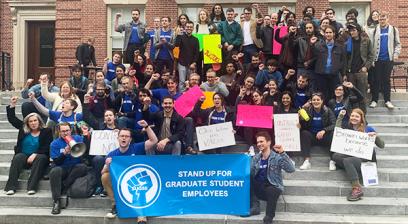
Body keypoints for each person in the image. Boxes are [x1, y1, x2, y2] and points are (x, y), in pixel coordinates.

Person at [101, 124, 157, 222]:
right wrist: (107, 164)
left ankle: (141, 217)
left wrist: (147, 127)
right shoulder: (112, 154)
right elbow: (103, 172)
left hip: (137, 182)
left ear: (130, 139)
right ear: (118, 138)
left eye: (126, 136)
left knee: (139, 189)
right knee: (105, 176)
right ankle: (115, 205)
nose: (124, 138)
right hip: (122, 183)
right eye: (122, 136)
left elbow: (154, 141)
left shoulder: (137, 148)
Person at [332, 109, 384, 201]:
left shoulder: (368, 128)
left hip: (365, 160)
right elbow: (337, 131)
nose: (354, 118)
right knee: (335, 156)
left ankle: (357, 188)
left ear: (361, 118)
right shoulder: (348, 128)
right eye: (352, 116)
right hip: (353, 156)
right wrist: (340, 117)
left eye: (356, 116)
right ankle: (351, 167)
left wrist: (375, 136)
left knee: (347, 161)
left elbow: (382, 145)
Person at [4, 96, 52, 195]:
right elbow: (12, 119)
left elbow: (46, 147)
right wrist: (12, 105)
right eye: (30, 121)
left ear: (39, 121)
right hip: (24, 156)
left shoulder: (46, 131)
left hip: (39, 158)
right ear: (27, 123)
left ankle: (32, 187)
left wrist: (35, 154)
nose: (33, 123)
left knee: (41, 157)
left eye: (35, 120)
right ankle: (11, 187)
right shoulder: (23, 129)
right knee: (17, 157)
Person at [249, 131, 295, 224]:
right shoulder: (256, 158)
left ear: (269, 142)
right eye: (258, 142)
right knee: (249, 178)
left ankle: (269, 217)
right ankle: (255, 207)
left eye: (261, 141)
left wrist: (282, 152)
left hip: (273, 187)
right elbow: (251, 173)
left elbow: (291, 169)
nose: (259, 144)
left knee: (271, 189)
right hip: (260, 188)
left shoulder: (277, 157)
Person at [49, 122, 88, 214]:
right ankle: (56, 201)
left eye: (67, 130)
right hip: (62, 168)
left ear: (70, 130)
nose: (65, 133)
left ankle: (64, 186)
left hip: (75, 167)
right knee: (55, 171)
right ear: (59, 132)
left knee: (82, 167)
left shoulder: (78, 138)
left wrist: (86, 136)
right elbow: (56, 162)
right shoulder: (54, 144)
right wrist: (64, 153)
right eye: (63, 131)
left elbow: (86, 149)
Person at [369, 13, 401, 109]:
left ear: (388, 19)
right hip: (377, 60)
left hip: (388, 60)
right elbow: (371, 46)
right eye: (380, 19)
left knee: (386, 80)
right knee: (376, 80)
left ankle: (387, 100)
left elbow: (398, 44)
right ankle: (374, 100)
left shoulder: (394, 30)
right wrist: (372, 59)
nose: (382, 21)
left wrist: (396, 54)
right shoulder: (374, 30)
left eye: (384, 19)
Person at [299, 93, 336, 170]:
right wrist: (300, 121)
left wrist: (324, 130)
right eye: (314, 100)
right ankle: (306, 161)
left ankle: (332, 160)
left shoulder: (327, 110)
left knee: (333, 134)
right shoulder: (307, 111)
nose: (316, 102)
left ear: (322, 101)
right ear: (311, 101)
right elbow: (305, 127)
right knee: (304, 133)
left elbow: (334, 124)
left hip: (324, 136)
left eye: (318, 100)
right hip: (312, 136)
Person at [344, 22, 374, 112]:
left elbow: (371, 56)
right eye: (350, 31)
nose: (352, 32)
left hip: (361, 72)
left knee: (362, 95)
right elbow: (344, 59)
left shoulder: (366, 41)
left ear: (358, 30)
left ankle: (363, 116)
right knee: (352, 95)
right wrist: (345, 73)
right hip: (350, 73)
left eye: (354, 30)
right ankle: (353, 115)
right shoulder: (347, 43)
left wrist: (366, 67)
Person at [313, 25, 346, 100]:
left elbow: (343, 61)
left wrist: (343, 73)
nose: (328, 34)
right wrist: (312, 45)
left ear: (334, 33)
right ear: (324, 34)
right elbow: (313, 58)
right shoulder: (318, 46)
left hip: (334, 75)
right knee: (321, 95)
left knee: (333, 95)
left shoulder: (340, 47)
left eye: (330, 32)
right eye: (326, 32)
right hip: (321, 75)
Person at [174, 21, 199, 92]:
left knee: (192, 82)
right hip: (182, 63)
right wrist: (178, 35)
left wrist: (194, 63)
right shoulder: (181, 37)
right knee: (182, 82)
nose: (189, 28)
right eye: (187, 27)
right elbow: (176, 46)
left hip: (191, 64)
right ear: (185, 27)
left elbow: (196, 53)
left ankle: (191, 95)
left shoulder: (195, 40)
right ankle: (182, 97)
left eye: (191, 27)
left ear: (193, 28)